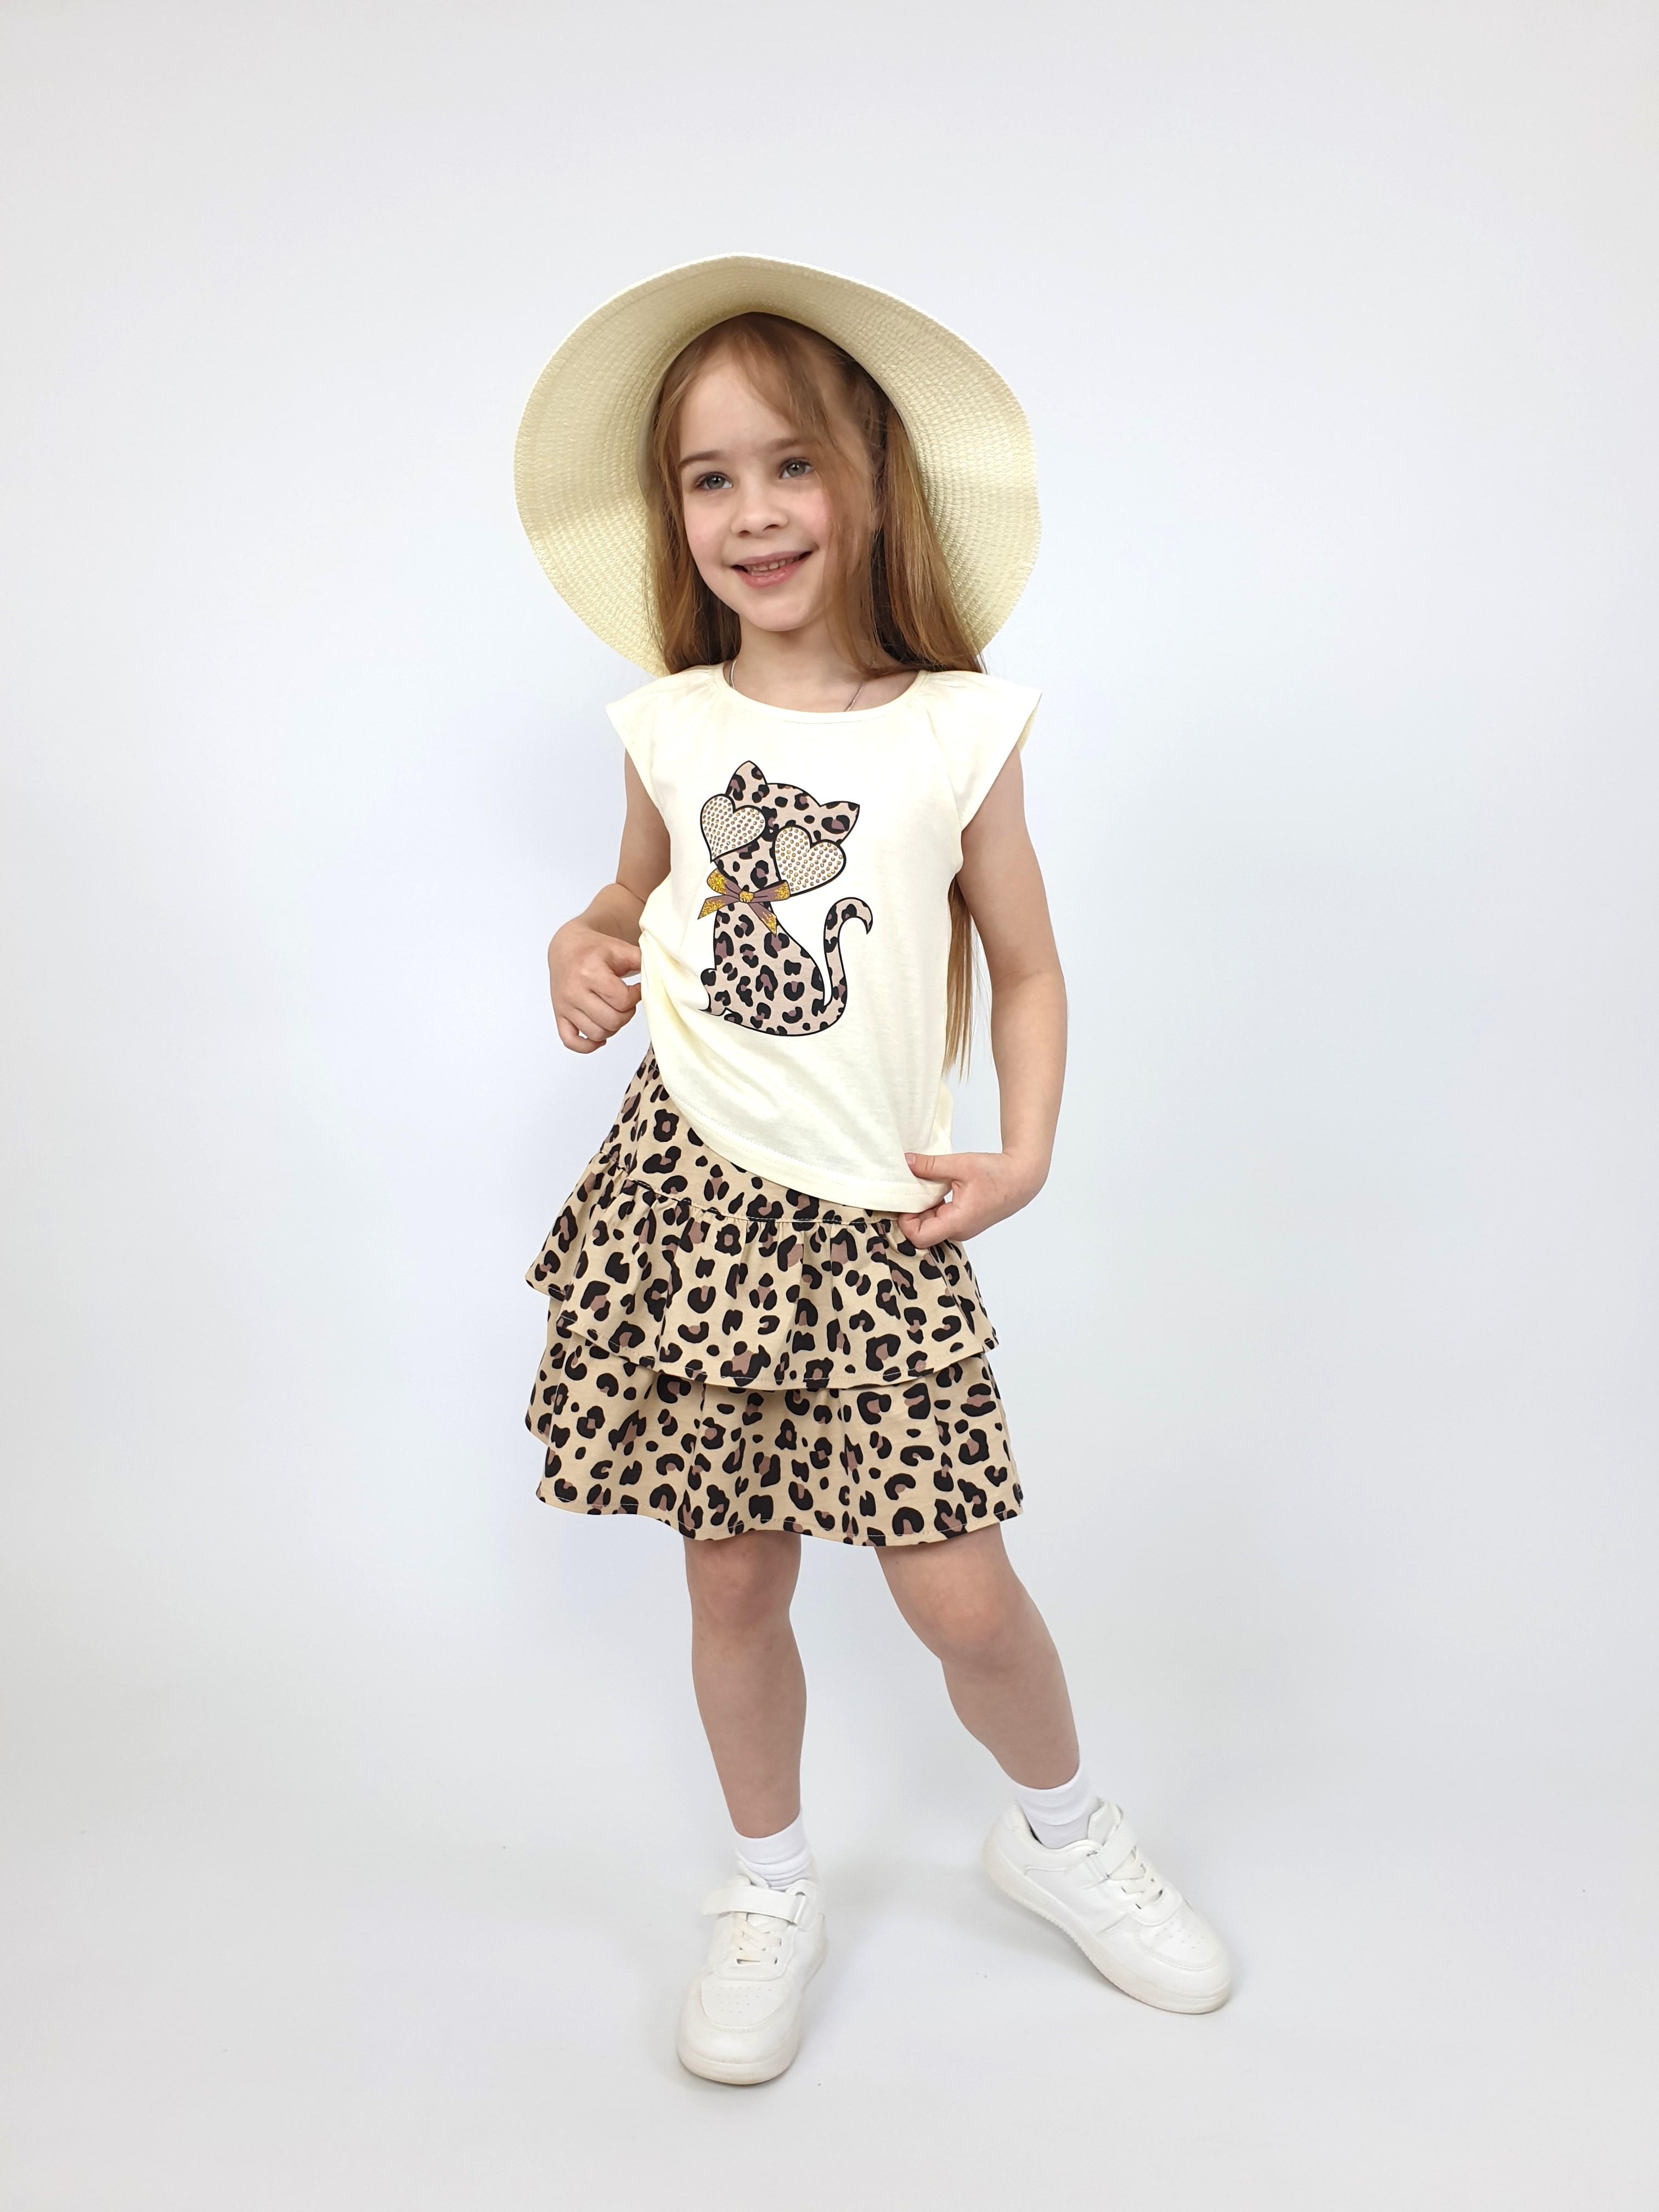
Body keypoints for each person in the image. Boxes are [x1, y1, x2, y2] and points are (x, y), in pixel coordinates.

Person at [514, 257, 1231, 2086]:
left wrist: (1028, 1148)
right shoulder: (673, 723)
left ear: (872, 485)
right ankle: (768, 1886)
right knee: (732, 1580)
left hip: (874, 1227)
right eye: (710, 477)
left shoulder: (954, 730)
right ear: (676, 514)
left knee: (960, 1594)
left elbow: (1030, 964)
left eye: (792, 466)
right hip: (693, 1205)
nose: (753, 513)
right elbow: (628, 897)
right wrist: (584, 947)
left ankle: (1064, 1835)